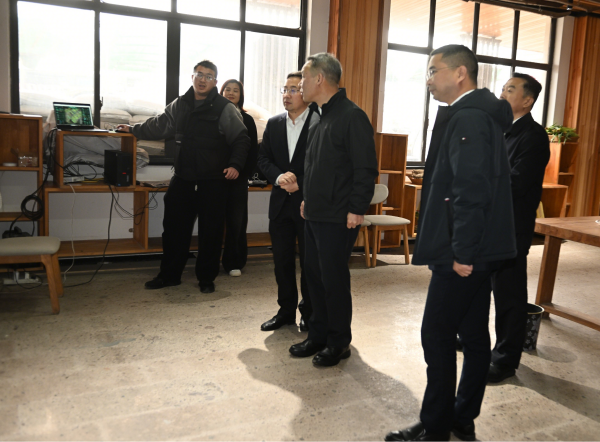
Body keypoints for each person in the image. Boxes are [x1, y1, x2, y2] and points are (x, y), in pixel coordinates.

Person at [385, 45, 516, 442]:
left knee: (437, 335)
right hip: (481, 248)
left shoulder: (469, 116)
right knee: (473, 335)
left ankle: (436, 426)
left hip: (465, 252)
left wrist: (462, 252)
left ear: (460, 73)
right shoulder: (477, 113)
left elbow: (470, 190)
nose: (427, 79)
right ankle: (461, 416)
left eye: (433, 70)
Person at [116, 60, 250, 294]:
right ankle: (169, 275)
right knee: (174, 230)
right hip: (183, 178)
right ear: (192, 77)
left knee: (211, 233)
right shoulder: (180, 104)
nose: (203, 79)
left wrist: (235, 165)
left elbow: (241, 139)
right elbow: (158, 125)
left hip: (212, 181)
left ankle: (206, 279)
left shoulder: (224, 108)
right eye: (199, 74)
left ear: (215, 82)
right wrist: (133, 129)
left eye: (208, 76)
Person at [288, 53, 378, 367]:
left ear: (319, 79)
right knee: (314, 278)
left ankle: (339, 342)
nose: (300, 83)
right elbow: (315, 167)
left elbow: (365, 168)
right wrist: (307, 198)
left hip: (339, 216)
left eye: (303, 77)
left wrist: (357, 208)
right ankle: (318, 335)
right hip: (315, 212)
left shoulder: (352, 116)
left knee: (333, 281)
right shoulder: (319, 116)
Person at [487, 74, 550, 383]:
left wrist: (479, 183)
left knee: (509, 296)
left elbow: (516, 182)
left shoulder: (533, 136)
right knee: (478, 287)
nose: (502, 93)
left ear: (527, 100)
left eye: (510, 89)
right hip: (488, 223)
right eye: (502, 88)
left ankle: (505, 360)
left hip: (511, 228)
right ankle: (474, 340)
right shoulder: (499, 129)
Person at [257, 71, 319, 332]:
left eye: (293, 89)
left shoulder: (319, 122)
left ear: (305, 92)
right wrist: (279, 176)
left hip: (309, 205)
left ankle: (309, 312)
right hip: (280, 204)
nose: (287, 94)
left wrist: (300, 183)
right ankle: (285, 311)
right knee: (281, 262)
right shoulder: (274, 123)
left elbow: (324, 164)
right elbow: (262, 159)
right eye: (284, 89)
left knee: (309, 263)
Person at [219, 79, 259, 278]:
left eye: (235, 90)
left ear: (240, 95)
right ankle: (209, 261)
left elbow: (252, 152)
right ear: (221, 92)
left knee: (236, 222)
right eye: (227, 89)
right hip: (214, 178)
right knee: (213, 221)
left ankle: (234, 262)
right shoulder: (214, 115)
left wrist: (242, 174)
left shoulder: (247, 119)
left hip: (238, 179)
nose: (231, 93)